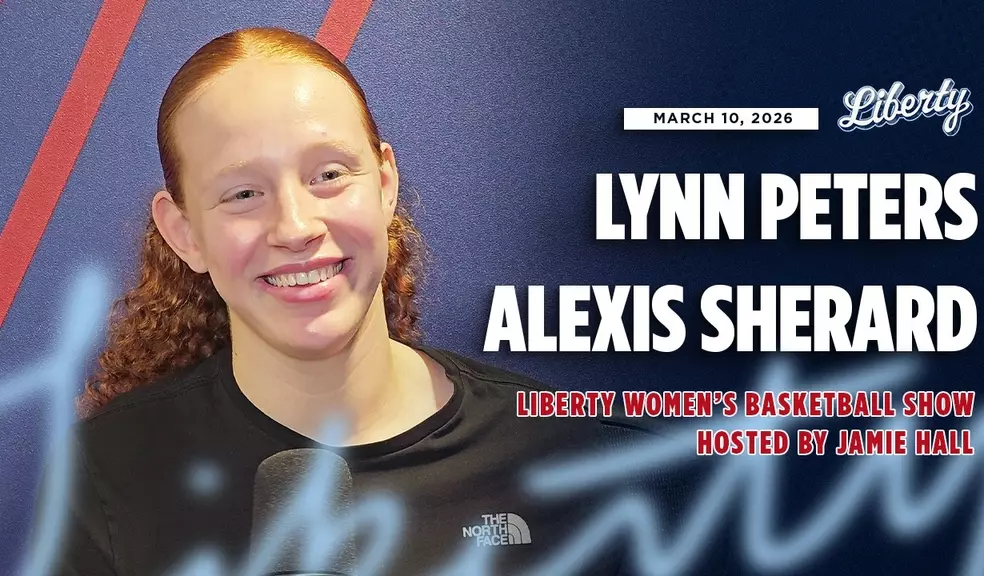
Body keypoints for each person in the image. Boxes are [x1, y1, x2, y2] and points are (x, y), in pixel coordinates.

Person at [49, 27, 693, 576]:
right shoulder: (105, 473)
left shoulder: (575, 461)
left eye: (328, 175)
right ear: (184, 232)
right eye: (243, 193)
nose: (295, 226)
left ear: (384, 184)